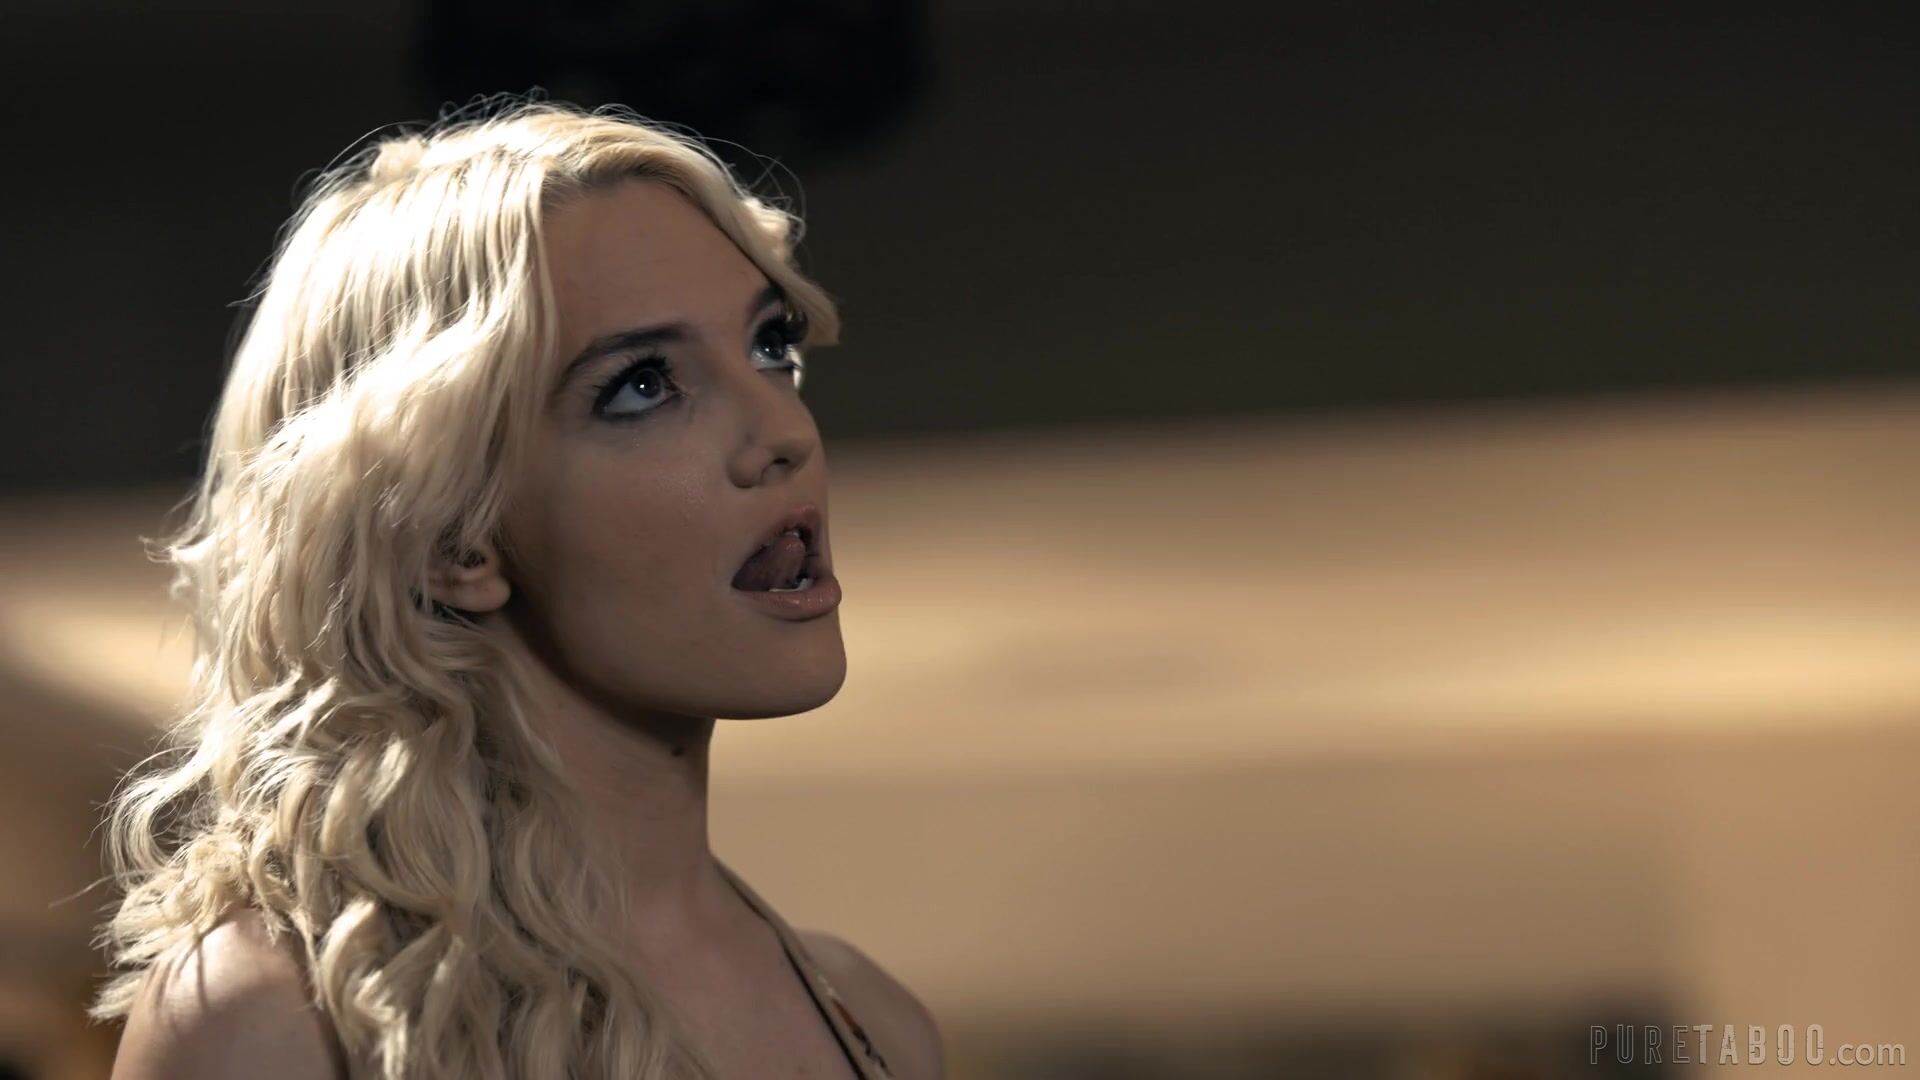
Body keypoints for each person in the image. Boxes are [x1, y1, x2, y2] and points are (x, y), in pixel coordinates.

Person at [92, 99, 944, 1080]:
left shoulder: (877, 1021)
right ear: (453, 536)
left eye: (769, 347)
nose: (784, 433)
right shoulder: (269, 1019)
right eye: (642, 384)